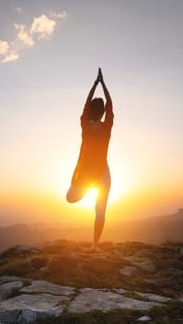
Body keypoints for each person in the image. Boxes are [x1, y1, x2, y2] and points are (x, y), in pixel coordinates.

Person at [66, 68, 114, 252]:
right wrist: (103, 84)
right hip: (99, 173)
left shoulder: (85, 126)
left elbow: (86, 104)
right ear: (102, 112)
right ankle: (95, 245)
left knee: (92, 207)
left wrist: (95, 84)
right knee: (98, 209)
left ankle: (95, 246)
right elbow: (110, 104)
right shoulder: (106, 127)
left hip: (92, 173)